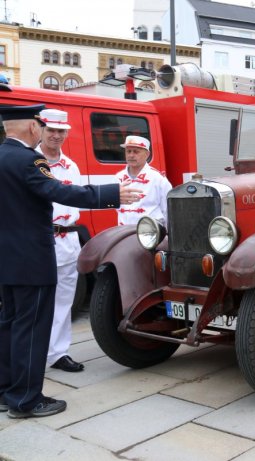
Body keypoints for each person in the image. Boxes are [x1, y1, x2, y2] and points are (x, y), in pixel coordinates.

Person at [0, 104, 142, 419]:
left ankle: (7, 390)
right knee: (32, 328)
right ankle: (26, 399)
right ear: (31, 128)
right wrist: (111, 195)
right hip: (31, 259)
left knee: (9, 325)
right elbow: (60, 192)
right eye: (40, 125)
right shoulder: (28, 160)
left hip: (7, 259)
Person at [35, 109, 84, 373]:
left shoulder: (72, 166)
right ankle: (33, 353)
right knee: (35, 302)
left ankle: (57, 353)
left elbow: (79, 200)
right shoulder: (30, 161)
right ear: (40, 129)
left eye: (60, 131)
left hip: (67, 240)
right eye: (51, 130)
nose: (55, 135)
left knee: (64, 301)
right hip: (39, 240)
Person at [116, 135, 172, 227]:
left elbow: (167, 211)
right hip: (124, 234)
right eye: (128, 151)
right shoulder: (118, 177)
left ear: (147, 154)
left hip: (150, 235)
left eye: (136, 152)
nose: (131, 155)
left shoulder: (158, 179)